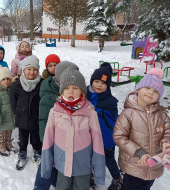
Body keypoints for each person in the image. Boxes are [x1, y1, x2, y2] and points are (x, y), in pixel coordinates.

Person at [113, 68, 170, 190]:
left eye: (155, 91)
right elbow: (119, 137)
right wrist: (139, 152)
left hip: (153, 168)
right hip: (132, 168)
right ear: (138, 90)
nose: (150, 92)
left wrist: (168, 142)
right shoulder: (128, 114)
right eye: (147, 88)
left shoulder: (161, 115)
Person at [41, 67, 106, 190]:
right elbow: (48, 140)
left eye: (75, 88)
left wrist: (98, 171)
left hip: (82, 166)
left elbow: (97, 142)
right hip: (62, 164)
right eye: (66, 88)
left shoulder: (90, 112)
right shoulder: (54, 111)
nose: (70, 92)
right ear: (62, 91)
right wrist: (46, 166)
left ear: (82, 91)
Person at [34, 61, 79, 190]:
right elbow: (43, 120)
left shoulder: (71, 92)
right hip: (52, 140)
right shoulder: (49, 97)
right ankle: (40, 187)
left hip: (65, 139)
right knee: (47, 164)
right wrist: (47, 143)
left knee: (57, 164)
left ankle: (55, 181)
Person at [86, 62, 121, 190]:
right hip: (88, 136)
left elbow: (116, 120)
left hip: (106, 139)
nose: (99, 85)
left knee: (109, 161)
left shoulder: (110, 102)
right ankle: (91, 176)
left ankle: (117, 179)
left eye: (103, 83)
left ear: (108, 86)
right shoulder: (85, 96)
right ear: (91, 81)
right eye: (96, 81)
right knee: (89, 158)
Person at [10, 55, 42, 170]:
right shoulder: (16, 85)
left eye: (35, 69)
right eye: (29, 69)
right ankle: (22, 155)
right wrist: (18, 114)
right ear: (23, 70)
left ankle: (37, 154)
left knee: (36, 139)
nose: (32, 72)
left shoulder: (41, 84)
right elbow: (13, 102)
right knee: (23, 140)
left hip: (36, 119)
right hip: (22, 119)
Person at [0, 65, 17, 156]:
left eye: (8, 79)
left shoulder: (10, 90)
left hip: (9, 117)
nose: (6, 81)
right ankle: (2, 148)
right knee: (2, 135)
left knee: (9, 133)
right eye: (3, 79)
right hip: (2, 119)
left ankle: (9, 145)